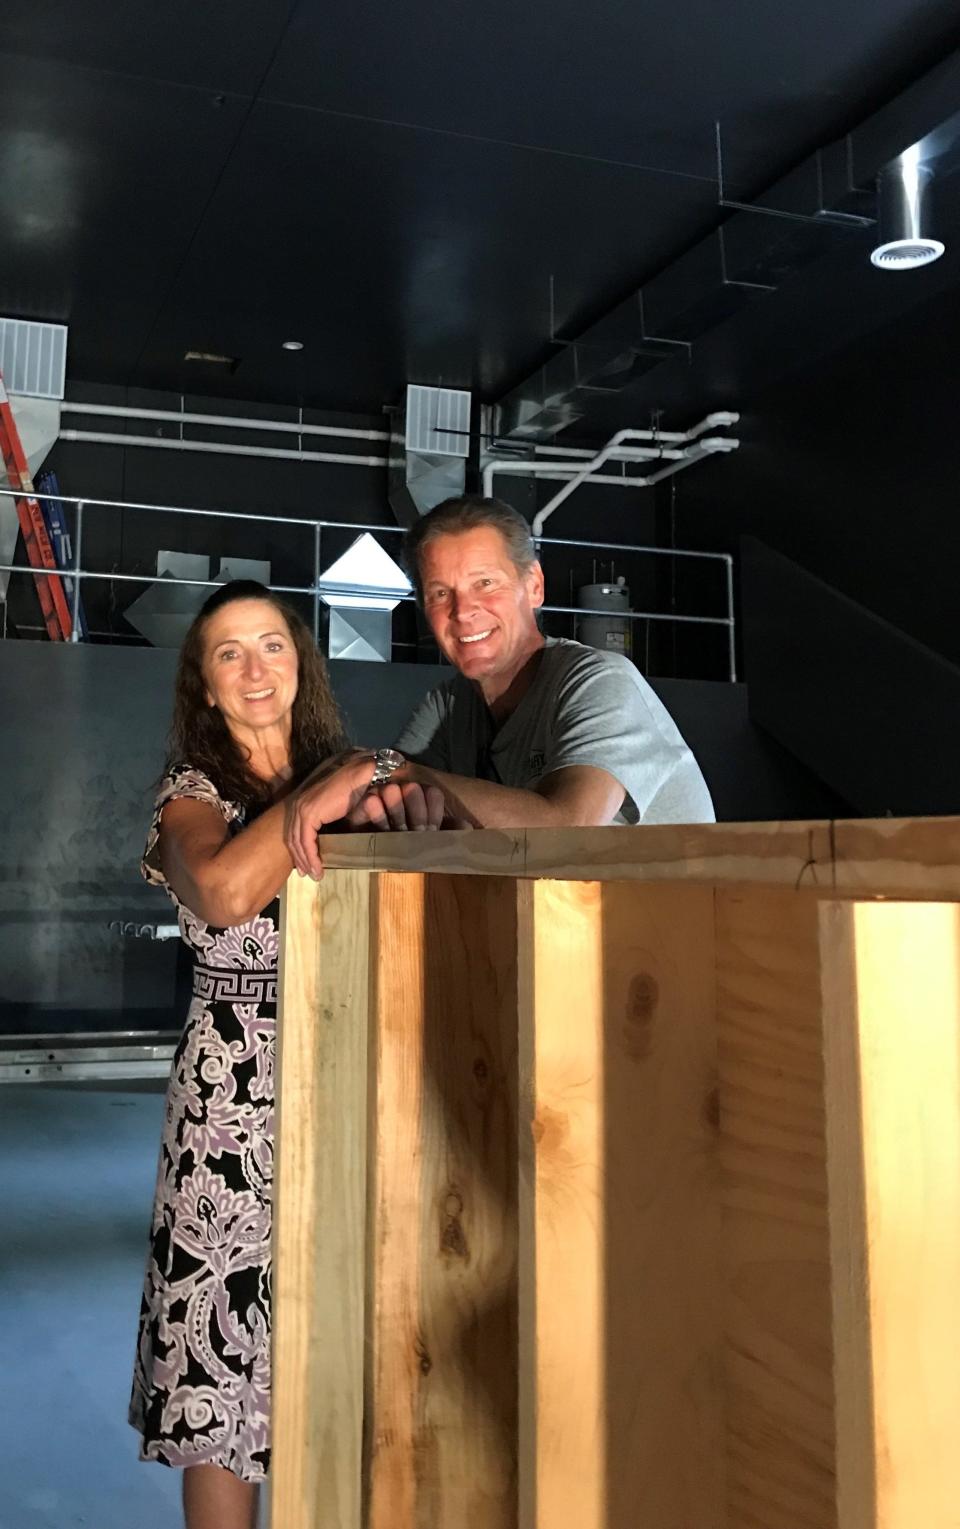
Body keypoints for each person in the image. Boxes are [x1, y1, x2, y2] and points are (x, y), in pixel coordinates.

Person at [130, 579, 440, 1529]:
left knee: (341, 1340)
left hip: (346, 1077)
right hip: (232, 1103)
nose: (255, 667)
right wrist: (329, 786)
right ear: (207, 686)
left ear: (300, 661)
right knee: (224, 1364)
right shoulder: (191, 794)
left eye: (272, 644)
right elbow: (224, 893)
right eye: (230, 653)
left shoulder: (351, 782)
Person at [286, 496, 713, 873]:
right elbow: (387, 803)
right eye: (439, 593)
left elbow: (566, 830)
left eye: (484, 584)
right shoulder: (449, 704)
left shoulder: (599, 681)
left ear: (535, 586)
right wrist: (375, 800)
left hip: (674, 941)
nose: (463, 611)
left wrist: (392, 771)